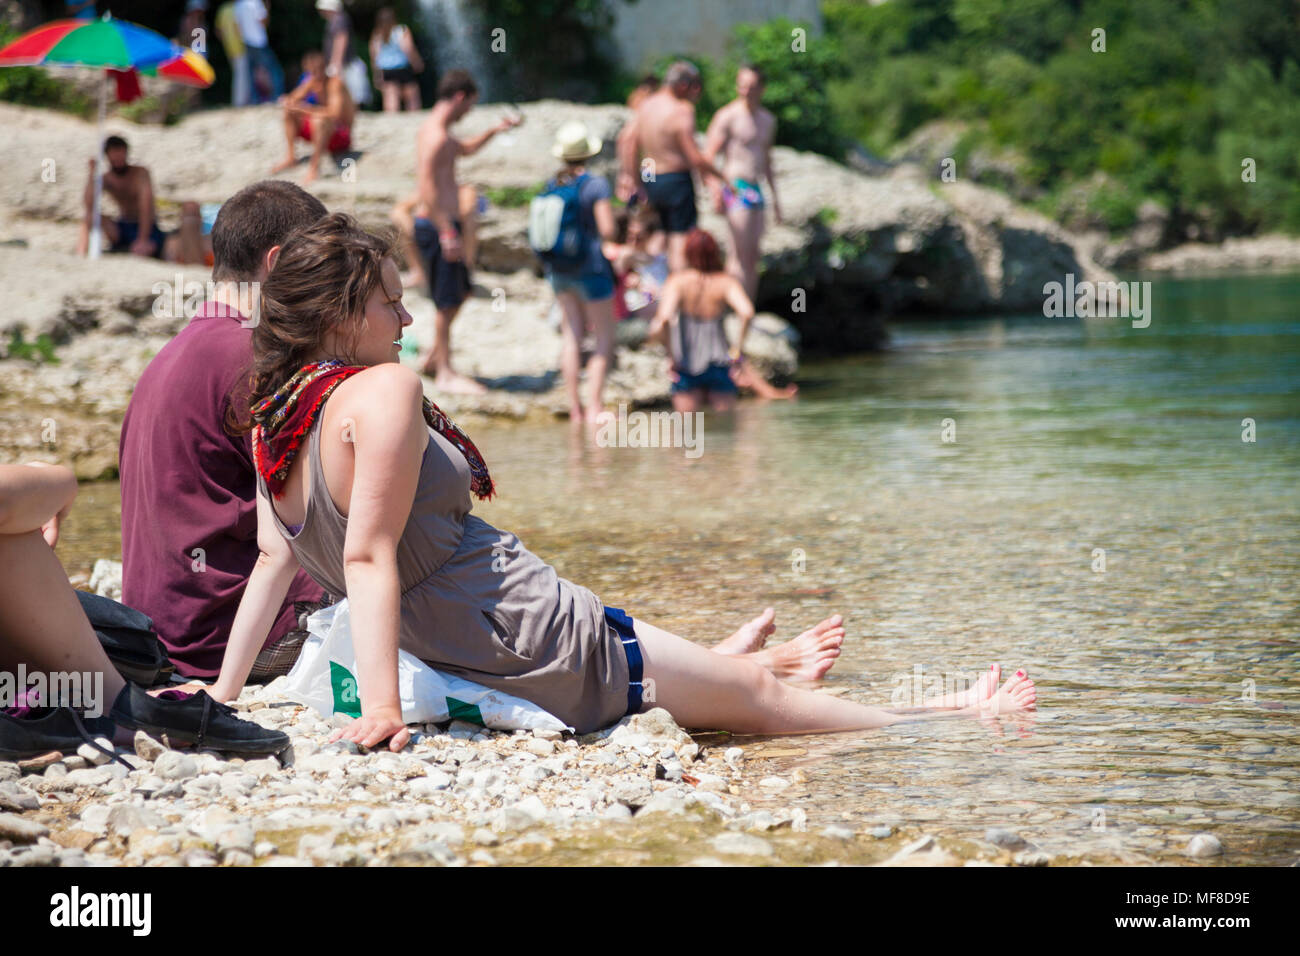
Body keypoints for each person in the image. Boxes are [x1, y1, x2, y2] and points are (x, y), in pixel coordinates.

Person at [204, 213, 1039, 752]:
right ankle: (949, 716)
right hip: (524, 632)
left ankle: (732, 662)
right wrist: (383, 711)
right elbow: (369, 558)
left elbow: (278, 560)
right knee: (754, 699)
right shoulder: (381, 391)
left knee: (711, 671)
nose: (408, 320)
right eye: (391, 303)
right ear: (344, 312)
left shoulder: (273, 417)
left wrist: (224, 692)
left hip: (487, 627)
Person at [119, 180, 329, 685]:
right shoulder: (253, 359)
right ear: (277, 265)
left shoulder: (176, 352)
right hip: (224, 638)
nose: (327, 289)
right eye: (320, 270)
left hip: (162, 630)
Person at [0, 462, 289, 757]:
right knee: (16, 528)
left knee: (14, 534)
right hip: (205, 641)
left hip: (173, 643)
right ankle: (115, 703)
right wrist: (62, 479)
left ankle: (111, 704)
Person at [412, 70, 520, 393]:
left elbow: (467, 149)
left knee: (460, 294)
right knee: (446, 303)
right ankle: (445, 373)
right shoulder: (437, 137)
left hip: (443, 223)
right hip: (438, 225)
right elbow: (426, 187)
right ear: (459, 97)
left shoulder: (438, 132)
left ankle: (434, 357)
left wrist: (496, 130)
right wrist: (446, 230)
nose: (469, 112)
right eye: (469, 106)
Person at [540, 122, 619, 422]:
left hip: (558, 270)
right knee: (602, 338)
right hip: (591, 269)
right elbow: (607, 228)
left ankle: (575, 410)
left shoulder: (553, 184)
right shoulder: (595, 184)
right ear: (588, 153)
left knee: (571, 336)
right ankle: (595, 407)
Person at [618, 61, 727, 273]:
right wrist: (721, 177)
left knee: (657, 235)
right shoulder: (682, 110)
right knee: (680, 242)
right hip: (675, 179)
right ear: (683, 85)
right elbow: (694, 158)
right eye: (695, 87)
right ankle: (676, 297)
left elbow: (626, 141)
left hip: (649, 176)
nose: (697, 93)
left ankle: (653, 290)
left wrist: (632, 179)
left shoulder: (646, 104)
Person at [704, 64, 783, 304]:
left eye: (751, 86)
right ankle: (733, 308)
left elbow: (767, 161)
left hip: (756, 188)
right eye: (742, 85)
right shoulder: (728, 116)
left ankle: (747, 307)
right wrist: (715, 190)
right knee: (738, 254)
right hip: (735, 187)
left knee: (753, 257)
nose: (746, 90)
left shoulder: (767, 120)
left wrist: (776, 199)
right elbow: (708, 158)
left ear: (762, 88)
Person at [76, 135, 206, 262]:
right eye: (114, 154)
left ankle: (143, 243)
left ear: (126, 153)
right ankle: (80, 256)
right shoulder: (106, 178)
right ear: (107, 156)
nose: (118, 158)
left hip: (146, 227)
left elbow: (146, 206)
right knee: (89, 216)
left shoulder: (140, 174)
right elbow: (88, 204)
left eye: (120, 153)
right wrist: (92, 173)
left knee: (147, 247)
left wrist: (143, 239)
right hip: (123, 225)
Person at [271, 51, 355, 184]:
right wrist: (290, 103)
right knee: (289, 112)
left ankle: (314, 167)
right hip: (327, 133)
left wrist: (304, 109)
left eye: (317, 71)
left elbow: (335, 114)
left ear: (324, 69)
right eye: (311, 72)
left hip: (342, 137)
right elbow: (293, 98)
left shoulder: (335, 84)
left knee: (319, 120)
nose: (315, 75)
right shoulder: (313, 81)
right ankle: (291, 157)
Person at [390, 184, 480, 290]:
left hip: (451, 230)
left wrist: (441, 221)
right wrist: (413, 228)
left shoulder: (463, 190)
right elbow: (399, 210)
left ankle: (464, 270)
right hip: (430, 229)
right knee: (400, 216)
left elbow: (466, 211)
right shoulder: (428, 190)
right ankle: (418, 273)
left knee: (470, 223)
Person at [603, 205, 668, 320]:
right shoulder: (623, 255)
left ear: (650, 237)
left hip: (652, 308)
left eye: (639, 238)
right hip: (629, 312)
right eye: (630, 235)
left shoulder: (661, 261)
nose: (633, 242)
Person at [370, 6, 423, 112]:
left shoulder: (377, 34)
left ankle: (392, 120)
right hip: (402, 67)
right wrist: (417, 62)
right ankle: (413, 117)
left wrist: (376, 75)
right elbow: (408, 48)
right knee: (412, 95)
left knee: (391, 97)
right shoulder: (402, 30)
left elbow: (374, 56)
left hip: (386, 69)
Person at [317, 0, 368, 108]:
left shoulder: (339, 19)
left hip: (345, 64)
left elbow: (341, 39)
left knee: (347, 92)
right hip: (343, 63)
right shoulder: (337, 19)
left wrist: (336, 62)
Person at [235, 0, 283, 105]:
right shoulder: (256, 2)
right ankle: (276, 96)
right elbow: (263, 22)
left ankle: (254, 99)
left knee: (251, 73)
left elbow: (238, 27)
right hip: (259, 41)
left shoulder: (238, 5)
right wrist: (267, 9)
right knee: (274, 70)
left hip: (247, 42)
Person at [214, 1, 250, 107]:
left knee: (238, 74)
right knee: (242, 75)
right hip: (240, 46)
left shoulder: (223, 9)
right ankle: (239, 102)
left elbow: (218, 30)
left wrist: (226, 40)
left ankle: (241, 100)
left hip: (229, 47)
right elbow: (240, 28)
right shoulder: (240, 7)